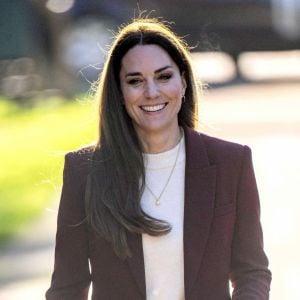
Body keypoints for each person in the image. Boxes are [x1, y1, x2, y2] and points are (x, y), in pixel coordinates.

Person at [46, 18, 271, 300]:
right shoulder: (85, 171)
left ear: (184, 82)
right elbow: (67, 287)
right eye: (135, 81)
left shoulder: (231, 162)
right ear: (119, 93)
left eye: (164, 77)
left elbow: (252, 271)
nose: (152, 92)